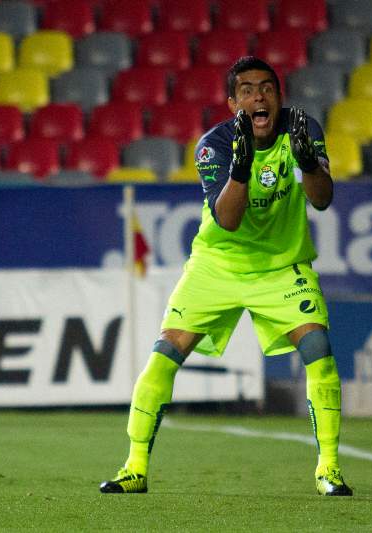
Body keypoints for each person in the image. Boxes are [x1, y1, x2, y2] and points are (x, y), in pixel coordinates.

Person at [99, 56, 352, 497]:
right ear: (233, 101)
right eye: (248, 89)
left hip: (282, 266)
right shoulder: (213, 145)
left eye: (268, 88)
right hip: (218, 263)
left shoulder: (301, 129)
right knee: (164, 354)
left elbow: (323, 200)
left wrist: (309, 162)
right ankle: (134, 466)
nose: (259, 96)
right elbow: (228, 219)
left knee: (319, 349)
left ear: (279, 95)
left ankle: (328, 468)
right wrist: (240, 167)